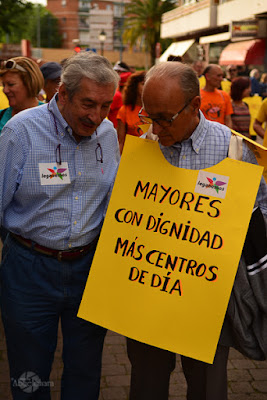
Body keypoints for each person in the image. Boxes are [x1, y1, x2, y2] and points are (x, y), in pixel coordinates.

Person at [128, 61, 267, 400]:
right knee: (147, 383)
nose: (156, 129)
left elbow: (260, 211)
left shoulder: (233, 151)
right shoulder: (143, 148)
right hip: (149, 295)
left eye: (164, 118)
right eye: (150, 117)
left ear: (194, 106)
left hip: (208, 299)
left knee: (207, 387)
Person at [0, 51, 120, 400]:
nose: (96, 116)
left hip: (88, 267)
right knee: (29, 372)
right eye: (88, 104)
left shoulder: (108, 133)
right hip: (29, 269)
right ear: (62, 94)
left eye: (105, 105)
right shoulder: (20, 132)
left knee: (85, 368)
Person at [0, 57, 44, 133]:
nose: (5, 90)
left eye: (11, 84)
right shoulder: (1, 116)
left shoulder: (50, 117)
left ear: (29, 84)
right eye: (4, 85)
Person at [117, 70, 146, 153]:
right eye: (143, 83)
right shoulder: (124, 110)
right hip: (131, 155)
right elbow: (121, 141)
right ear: (135, 86)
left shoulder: (154, 110)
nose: (146, 87)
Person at [200, 64, 233, 128]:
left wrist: (229, 135)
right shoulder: (198, 96)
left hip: (220, 136)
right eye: (218, 76)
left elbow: (228, 120)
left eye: (222, 76)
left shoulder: (224, 95)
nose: (221, 79)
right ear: (207, 76)